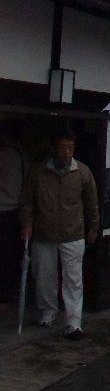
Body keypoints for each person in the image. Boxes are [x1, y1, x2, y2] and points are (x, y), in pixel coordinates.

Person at [19, 131, 98, 339]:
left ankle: (74, 321)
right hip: (43, 232)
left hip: (73, 232)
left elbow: (91, 202)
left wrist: (94, 226)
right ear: (54, 149)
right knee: (44, 277)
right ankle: (48, 312)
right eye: (63, 147)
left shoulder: (82, 172)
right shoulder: (38, 171)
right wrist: (27, 224)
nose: (67, 152)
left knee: (74, 279)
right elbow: (27, 201)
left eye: (70, 147)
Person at [0, 123, 25, 305]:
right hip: (18, 209)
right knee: (12, 253)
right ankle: (10, 290)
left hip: (4, 208)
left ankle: (4, 291)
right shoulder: (24, 154)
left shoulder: (4, 154)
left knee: (5, 253)